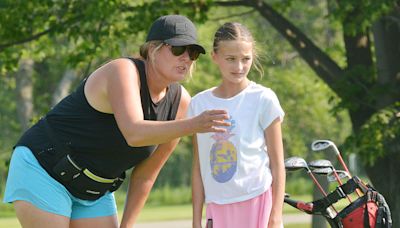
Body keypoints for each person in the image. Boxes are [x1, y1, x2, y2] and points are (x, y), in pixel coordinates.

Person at [2, 15, 230, 228]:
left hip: (94, 189)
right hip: (44, 168)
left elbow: (145, 176)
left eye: (193, 53)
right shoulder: (123, 71)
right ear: (152, 49)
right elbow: (134, 132)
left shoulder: (181, 104)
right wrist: (194, 124)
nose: (186, 58)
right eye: (179, 48)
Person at [189, 22, 286, 228]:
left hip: (257, 200)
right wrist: (196, 220)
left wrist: (276, 216)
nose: (239, 67)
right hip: (217, 205)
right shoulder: (199, 104)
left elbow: (278, 165)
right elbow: (198, 167)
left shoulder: (263, 99)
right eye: (231, 59)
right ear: (215, 57)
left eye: (245, 59)